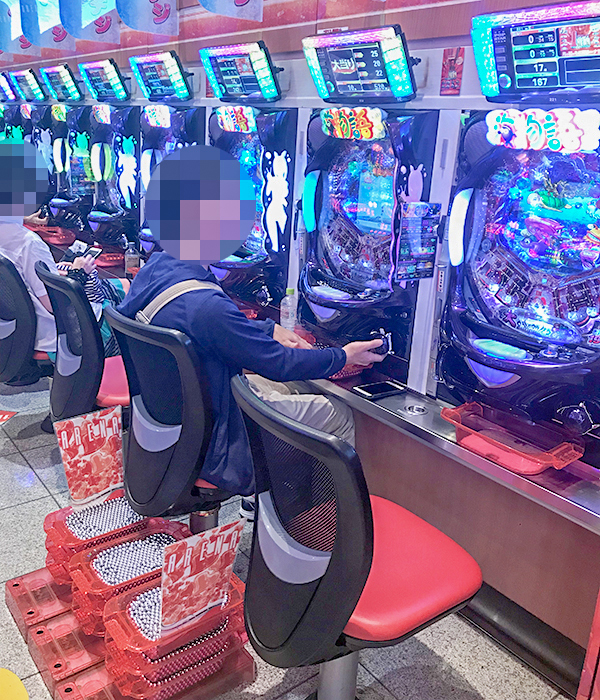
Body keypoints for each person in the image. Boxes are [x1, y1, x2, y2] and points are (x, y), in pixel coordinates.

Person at [118, 251, 384, 505]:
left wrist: (268, 329)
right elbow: (279, 364)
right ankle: (318, 522)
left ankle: (269, 502)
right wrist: (343, 356)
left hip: (180, 416)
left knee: (294, 387)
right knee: (340, 414)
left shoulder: (156, 268)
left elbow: (212, 324)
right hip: (220, 441)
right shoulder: (207, 304)